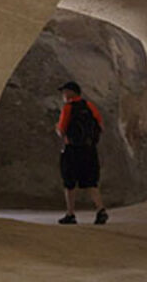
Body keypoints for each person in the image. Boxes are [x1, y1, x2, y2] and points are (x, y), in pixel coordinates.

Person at [54, 81, 109, 225]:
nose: (63, 95)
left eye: (64, 92)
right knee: (91, 181)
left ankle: (70, 214)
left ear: (70, 92)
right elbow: (101, 126)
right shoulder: (89, 106)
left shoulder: (68, 108)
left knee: (69, 182)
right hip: (89, 150)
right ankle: (101, 209)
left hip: (72, 149)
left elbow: (61, 130)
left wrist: (58, 130)